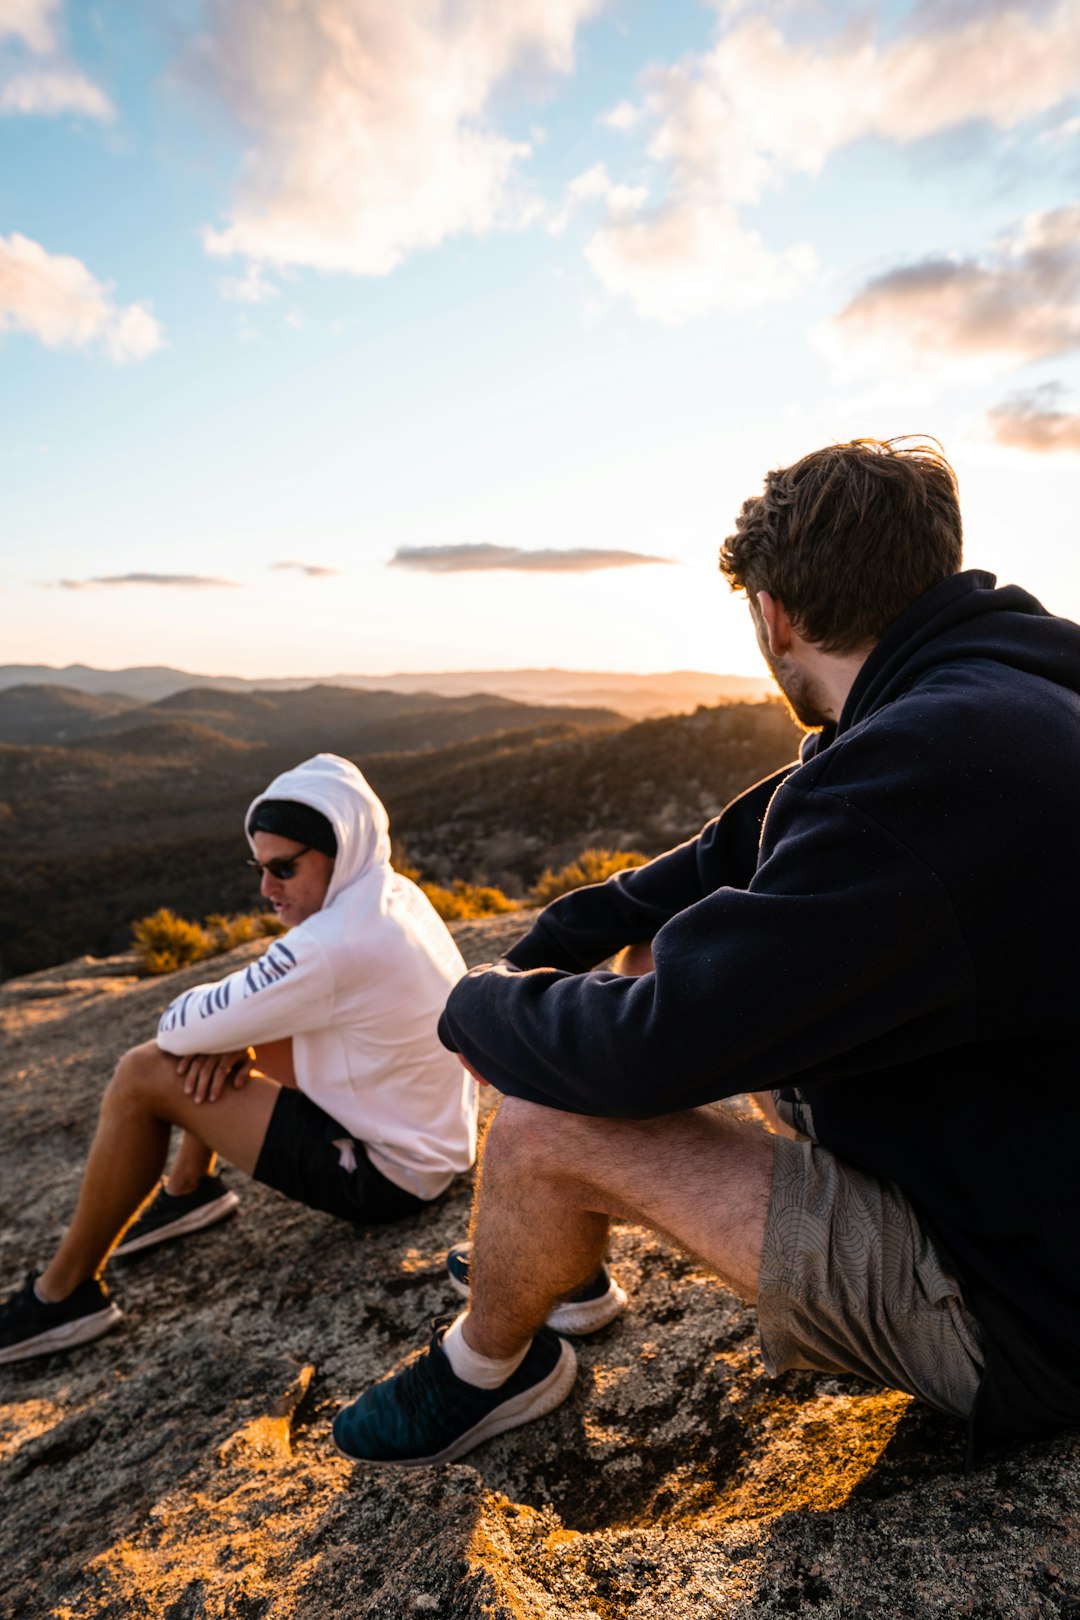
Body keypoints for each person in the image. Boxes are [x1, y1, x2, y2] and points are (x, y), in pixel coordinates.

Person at [332, 437, 1080, 1470]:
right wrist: (550, 950)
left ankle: (486, 1368)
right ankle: (563, 1262)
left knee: (553, 1119)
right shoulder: (1001, 697)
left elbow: (647, 1052)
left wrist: (480, 1011)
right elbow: (739, 844)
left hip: (1028, 1312)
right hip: (1030, 1153)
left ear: (775, 615)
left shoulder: (920, 769)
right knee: (655, 962)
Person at [0, 752, 477, 1362]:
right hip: (423, 1131)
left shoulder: (331, 945)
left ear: (340, 849)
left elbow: (174, 1027)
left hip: (387, 1176)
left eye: (283, 868)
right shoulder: (385, 893)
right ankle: (189, 1190)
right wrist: (231, 1031)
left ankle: (62, 1297)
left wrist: (220, 1031)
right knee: (231, 1029)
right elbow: (244, 1008)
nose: (265, 887)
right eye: (258, 867)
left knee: (143, 1073)